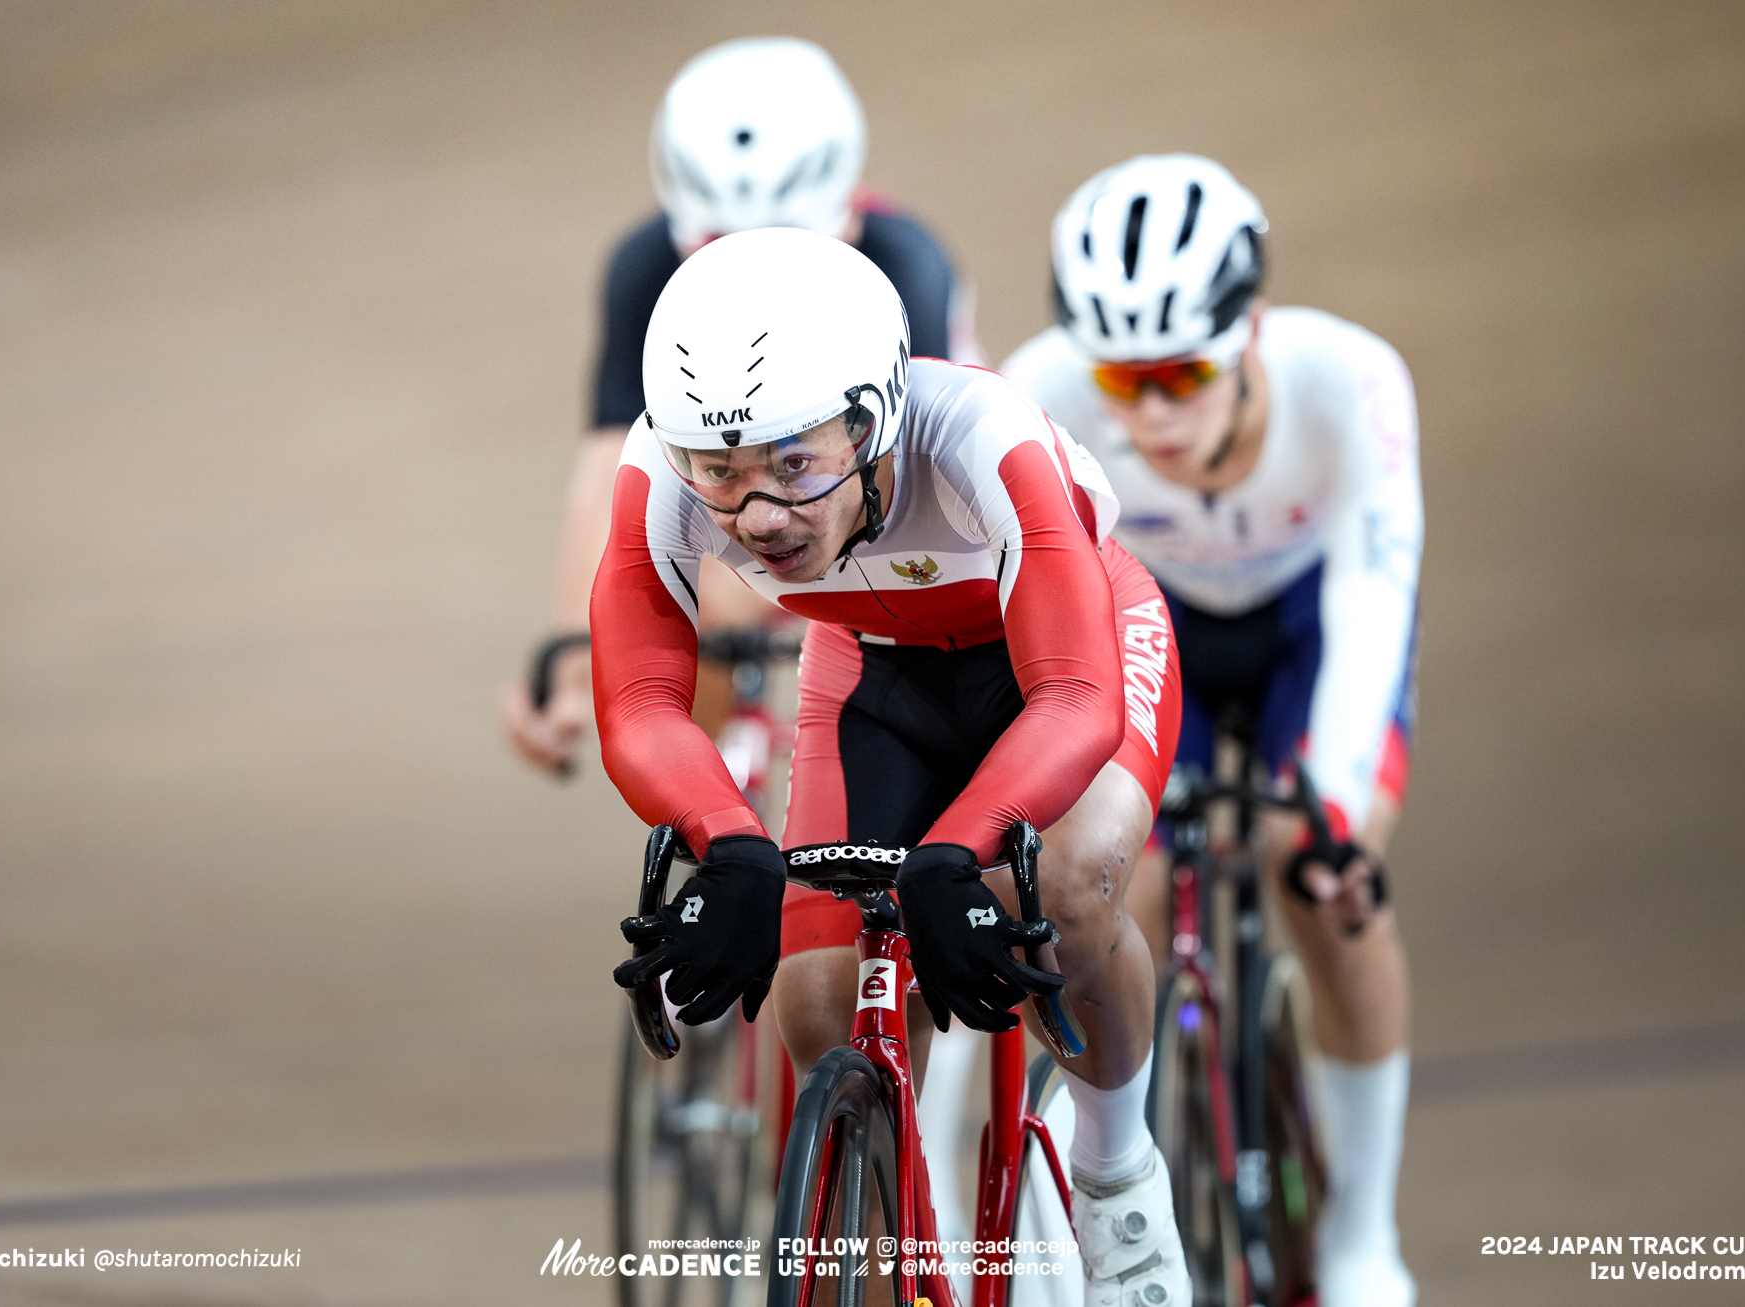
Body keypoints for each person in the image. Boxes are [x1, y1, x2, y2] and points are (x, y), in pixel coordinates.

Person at [593, 227, 1190, 1306]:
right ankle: (908, 1265)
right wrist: (727, 846)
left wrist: (956, 852)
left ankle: (1116, 1177)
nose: (758, 514)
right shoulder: (658, 470)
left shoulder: (981, 433)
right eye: (718, 472)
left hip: (1055, 655)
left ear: (877, 416)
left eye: (796, 462)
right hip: (871, 675)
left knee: (1062, 881)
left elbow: (1077, 698)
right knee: (818, 998)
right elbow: (637, 700)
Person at [1002, 154, 1422, 1307]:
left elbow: (1370, 603)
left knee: (1318, 875)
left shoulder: (1351, 381)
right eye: (1121, 382)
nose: (1153, 414)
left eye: (1182, 371)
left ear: (1254, 330)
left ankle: (1358, 1234)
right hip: (1149, 618)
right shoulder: (1034, 392)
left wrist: (1333, 814)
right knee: (1098, 897)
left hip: (1304, 626)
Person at [503, 36, 971, 772]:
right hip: (754, 468)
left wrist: (736, 582)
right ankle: (716, 795)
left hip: (883, 478)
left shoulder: (905, 262)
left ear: (847, 221)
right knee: (683, 621)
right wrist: (572, 663)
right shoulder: (643, 268)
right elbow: (606, 476)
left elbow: (902, 486)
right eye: (718, 249)